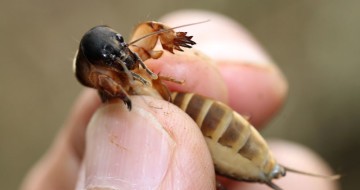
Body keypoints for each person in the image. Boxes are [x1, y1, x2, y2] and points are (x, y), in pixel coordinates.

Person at [21, 10, 339, 190]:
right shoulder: (106, 89)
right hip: (195, 126)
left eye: (121, 44)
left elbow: (154, 30)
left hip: (203, 121)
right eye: (112, 58)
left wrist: (169, 38)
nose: (125, 56)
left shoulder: (134, 56)